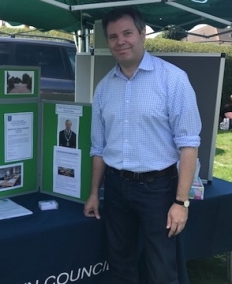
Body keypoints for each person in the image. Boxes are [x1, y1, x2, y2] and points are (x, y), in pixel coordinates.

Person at [83, 7, 201, 284]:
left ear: (142, 34)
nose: (120, 41)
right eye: (113, 36)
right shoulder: (103, 88)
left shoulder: (173, 80)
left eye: (127, 33)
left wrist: (180, 202)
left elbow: (188, 144)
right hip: (115, 188)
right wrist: (93, 193)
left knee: (161, 268)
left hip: (158, 191)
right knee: (120, 264)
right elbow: (98, 147)